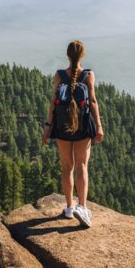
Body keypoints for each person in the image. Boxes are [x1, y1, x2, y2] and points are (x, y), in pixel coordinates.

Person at [42, 39, 104, 228]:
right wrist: (99, 126)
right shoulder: (88, 75)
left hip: (62, 127)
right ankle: (82, 207)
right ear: (82, 55)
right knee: (82, 166)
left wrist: (48, 128)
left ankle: (69, 208)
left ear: (67, 56)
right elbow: (92, 101)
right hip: (83, 127)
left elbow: (53, 102)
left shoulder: (60, 75)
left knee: (67, 167)